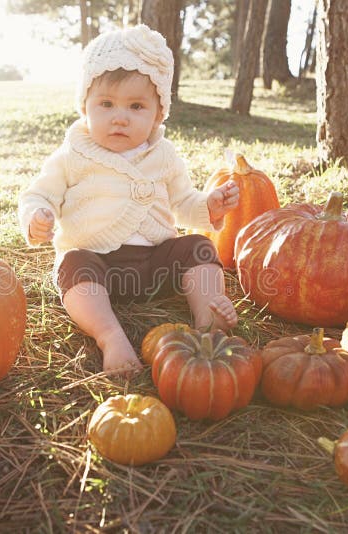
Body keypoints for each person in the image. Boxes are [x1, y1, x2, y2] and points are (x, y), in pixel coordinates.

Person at [18, 24, 239, 375]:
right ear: (85, 107)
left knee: (198, 248)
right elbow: (40, 193)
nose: (119, 117)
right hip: (98, 265)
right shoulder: (73, 153)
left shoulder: (163, 154)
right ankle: (110, 335)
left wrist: (208, 206)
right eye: (106, 104)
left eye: (136, 106)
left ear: (158, 114)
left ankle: (207, 317)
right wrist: (38, 214)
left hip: (157, 265)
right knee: (73, 264)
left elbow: (182, 201)